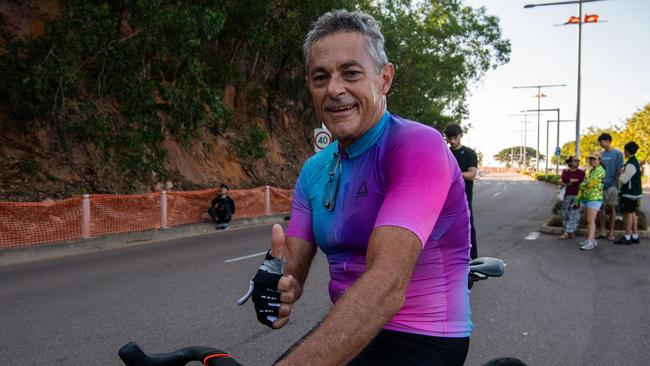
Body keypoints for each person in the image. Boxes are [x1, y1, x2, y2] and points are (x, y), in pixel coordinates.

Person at [242, 10, 472, 365]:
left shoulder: (417, 146)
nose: (334, 89)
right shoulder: (315, 168)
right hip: (354, 329)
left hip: (424, 337)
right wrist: (278, 282)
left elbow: (386, 285)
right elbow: (293, 267)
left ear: (384, 79)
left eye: (351, 73)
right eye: (321, 77)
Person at [444, 123, 479, 259]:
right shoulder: (445, 152)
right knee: (446, 233)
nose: (452, 141)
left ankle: (473, 263)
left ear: (461, 136)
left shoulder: (469, 153)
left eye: (455, 138)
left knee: (468, 232)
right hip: (445, 200)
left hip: (464, 199)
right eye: (449, 138)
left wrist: (454, 172)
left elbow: (472, 174)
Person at [596, 133, 624, 241]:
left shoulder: (618, 154)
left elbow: (620, 170)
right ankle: (602, 231)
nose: (600, 144)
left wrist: (617, 185)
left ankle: (611, 233)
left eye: (601, 142)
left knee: (612, 209)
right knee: (601, 209)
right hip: (601, 186)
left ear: (607, 141)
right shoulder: (600, 154)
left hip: (612, 186)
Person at [575, 152, 605, 251]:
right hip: (587, 197)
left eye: (594, 159)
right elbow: (585, 182)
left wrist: (581, 185)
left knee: (590, 221)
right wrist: (579, 198)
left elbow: (590, 183)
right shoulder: (590, 170)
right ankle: (591, 239)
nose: (592, 161)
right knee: (588, 221)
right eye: (591, 159)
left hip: (594, 198)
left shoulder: (600, 170)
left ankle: (590, 242)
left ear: (600, 160)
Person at [614, 141, 642, 245]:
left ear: (626, 151)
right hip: (633, 193)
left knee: (628, 213)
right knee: (633, 213)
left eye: (624, 150)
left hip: (630, 193)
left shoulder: (631, 164)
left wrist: (620, 173)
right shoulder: (634, 161)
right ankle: (635, 236)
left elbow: (624, 180)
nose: (623, 152)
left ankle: (627, 236)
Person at [558, 156, 585, 240]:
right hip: (568, 195)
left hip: (578, 195)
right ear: (569, 163)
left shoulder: (581, 172)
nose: (577, 162)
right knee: (565, 213)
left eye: (578, 161)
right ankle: (571, 232)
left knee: (574, 214)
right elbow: (564, 179)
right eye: (575, 161)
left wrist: (570, 181)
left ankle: (566, 233)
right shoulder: (565, 171)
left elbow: (581, 180)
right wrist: (572, 181)